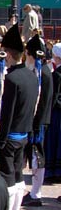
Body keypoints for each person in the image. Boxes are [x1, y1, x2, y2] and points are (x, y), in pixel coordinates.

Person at [0, 23, 39, 210]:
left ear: (10, 54)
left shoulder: (11, 79)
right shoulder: (31, 76)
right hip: (24, 134)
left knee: (8, 180)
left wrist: (0, 140)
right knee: (19, 178)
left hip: (10, 136)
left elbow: (7, 113)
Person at [22, 35, 53, 207]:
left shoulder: (43, 74)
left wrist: (35, 121)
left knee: (37, 157)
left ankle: (36, 193)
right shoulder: (42, 71)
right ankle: (35, 191)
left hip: (39, 121)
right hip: (39, 120)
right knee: (36, 157)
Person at [44, 42, 61, 184]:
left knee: (55, 140)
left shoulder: (57, 75)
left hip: (57, 113)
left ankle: (53, 171)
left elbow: (54, 96)